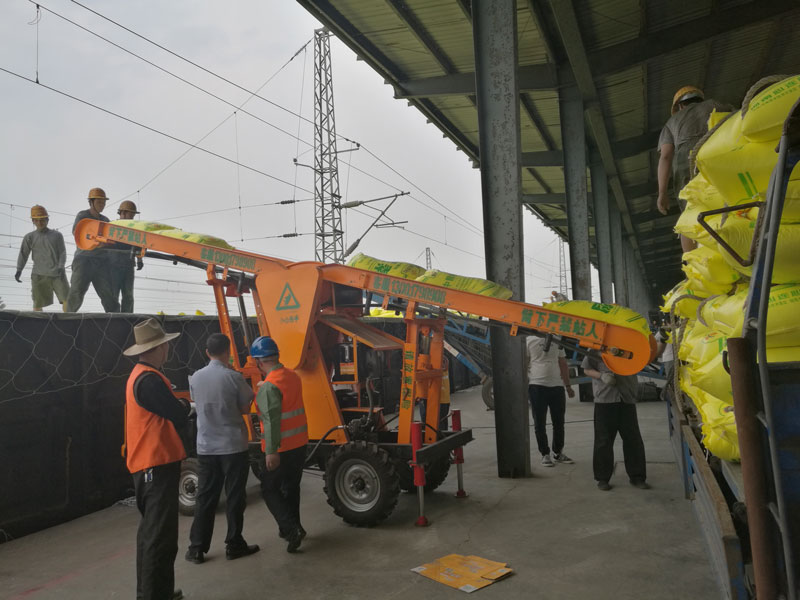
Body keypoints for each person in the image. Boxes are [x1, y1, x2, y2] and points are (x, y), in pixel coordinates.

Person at [123, 318, 190, 600]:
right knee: (159, 539)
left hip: (149, 465)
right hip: (155, 465)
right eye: (165, 345)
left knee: (153, 536)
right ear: (159, 348)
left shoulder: (141, 375)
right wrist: (187, 405)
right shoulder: (149, 380)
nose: (168, 350)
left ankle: (156, 592)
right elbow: (175, 412)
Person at [185, 333, 259, 564]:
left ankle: (197, 548)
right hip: (233, 445)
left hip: (206, 447)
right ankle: (234, 543)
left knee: (206, 497)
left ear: (207, 353)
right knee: (235, 496)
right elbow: (246, 407)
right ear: (228, 351)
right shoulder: (233, 377)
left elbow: (197, 403)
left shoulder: (195, 378)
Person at [657, 86, 733, 252]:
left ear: (680, 106)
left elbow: (666, 156)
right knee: (732, 201)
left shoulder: (672, 122)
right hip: (720, 157)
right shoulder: (718, 105)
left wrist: (662, 193)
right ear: (700, 99)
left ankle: (692, 264)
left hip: (687, 166)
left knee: (690, 213)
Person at [251, 336, 308, 553]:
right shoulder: (292, 376)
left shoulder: (269, 387)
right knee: (291, 488)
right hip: (299, 443)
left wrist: (271, 452)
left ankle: (291, 529)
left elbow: (271, 420)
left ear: (259, 362)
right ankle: (294, 528)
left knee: (269, 489)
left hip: (280, 448)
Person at [581, 350, 648, 492]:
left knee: (633, 439)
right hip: (605, 399)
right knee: (603, 440)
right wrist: (601, 375)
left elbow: (646, 359)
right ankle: (602, 478)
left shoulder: (631, 346)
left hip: (627, 398)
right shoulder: (595, 347)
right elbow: (587, 369)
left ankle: (637, 477)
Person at [66, 187, 120, 313]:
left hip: (102, 262)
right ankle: (67, 321)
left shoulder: (105, 221)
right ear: (91, 202)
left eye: (103, 203)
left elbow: (111, 241)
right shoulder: (83, 216)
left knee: (109, 296)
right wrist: (96, 241)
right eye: (99, 202)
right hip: (83, 260)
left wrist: (106, 244)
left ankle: (117, 321)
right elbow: (77, 232)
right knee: (76, 294)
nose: (102, 205)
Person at [526, 336, 575, 468]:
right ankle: (545, 454)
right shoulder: (528, 340)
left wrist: (568, 386)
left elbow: (562, 363)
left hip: (557, 386)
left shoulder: (557, 340)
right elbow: (524, 363)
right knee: (539, 422)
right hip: (537, 385)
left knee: (559, 422)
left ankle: (558, 453)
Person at [15, 205, 69, 311]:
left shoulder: (57, 235)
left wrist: (61, 266)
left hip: (57, 273)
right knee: (37, 301)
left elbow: (62, 252)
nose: (40, 223)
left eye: (42, 220)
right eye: (37, 220)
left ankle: (69, 322)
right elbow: (23, 254)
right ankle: (38, 323)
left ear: (47, 220)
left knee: (67, 299)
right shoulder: (29, 237)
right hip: (38, 275)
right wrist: (19, 269)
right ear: (33, 221)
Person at [110, 200, 144, 313]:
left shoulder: (134, 229)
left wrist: (139, 259)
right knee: (113, 294)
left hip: (128, 265)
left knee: (128, 295)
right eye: (131, 214)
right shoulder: (112, 227)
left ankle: (128, 317)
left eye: (133, 215)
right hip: (113, 265)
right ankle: (113, 318)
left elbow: (139, 246)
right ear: (123, 213)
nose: (133, 217)